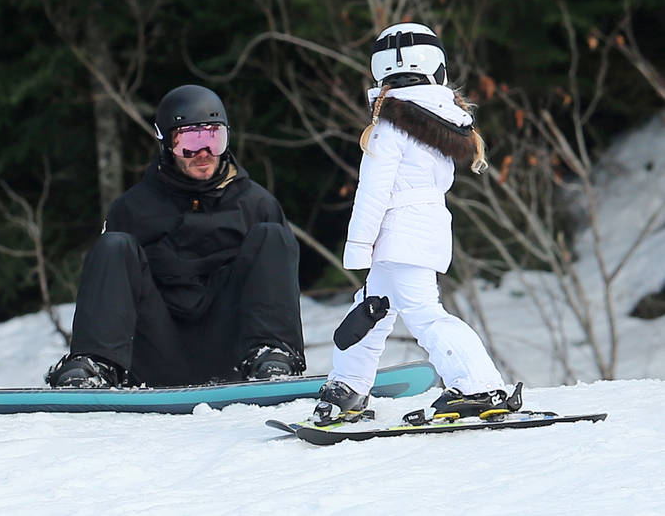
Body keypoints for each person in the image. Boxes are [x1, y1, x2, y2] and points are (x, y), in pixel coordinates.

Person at [312, 23, 518, 424]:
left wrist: (357, 247)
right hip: (419, 229)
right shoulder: (442, 120)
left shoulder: (391, 125)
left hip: (401, 231)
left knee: (423, 312)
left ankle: (479, 386)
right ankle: (350, 383)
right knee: (373, 308)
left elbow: (373, 191)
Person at [47, 84, 306, 388]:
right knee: (114, 245)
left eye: (213, 138)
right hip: (158, 347)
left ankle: (272, 354)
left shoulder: (256, 204)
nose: (203, 153)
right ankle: (97, 364)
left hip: (233, 349)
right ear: (168, 143)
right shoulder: (133, 208)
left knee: (272, 236)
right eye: (190, 141)